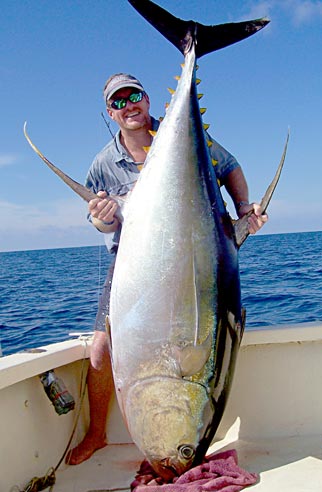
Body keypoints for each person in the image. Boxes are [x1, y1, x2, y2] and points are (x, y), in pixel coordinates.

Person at [66, 73, 268, 465]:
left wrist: (244, 208)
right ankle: (96, 434)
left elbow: (230, 167)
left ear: (147, 99)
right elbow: (100, 221)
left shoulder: (186, 136)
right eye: (119, 102)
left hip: (195, 257)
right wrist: (103, 217)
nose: (129, 106)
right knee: (101, 349)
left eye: (134, 96)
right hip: (133, 264)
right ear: (111, 112)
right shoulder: (104, 162)